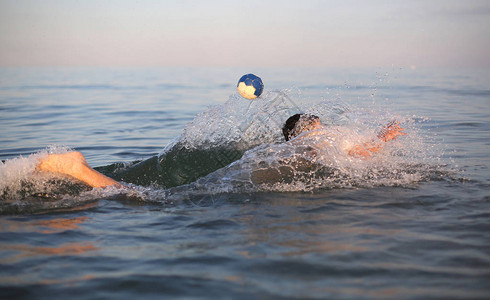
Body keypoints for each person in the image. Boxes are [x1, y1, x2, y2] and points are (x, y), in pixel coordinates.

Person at [36, 113, 405, 188]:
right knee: (149, 201)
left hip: (226, 184)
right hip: (223, 189)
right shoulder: (307, 148)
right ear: (305, 134)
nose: (326, 136)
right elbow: (356, 156)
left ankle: (78, 171)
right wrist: (384, 139)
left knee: (156, 197)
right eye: (319, 130)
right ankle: (78, 170)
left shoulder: (283, 151)